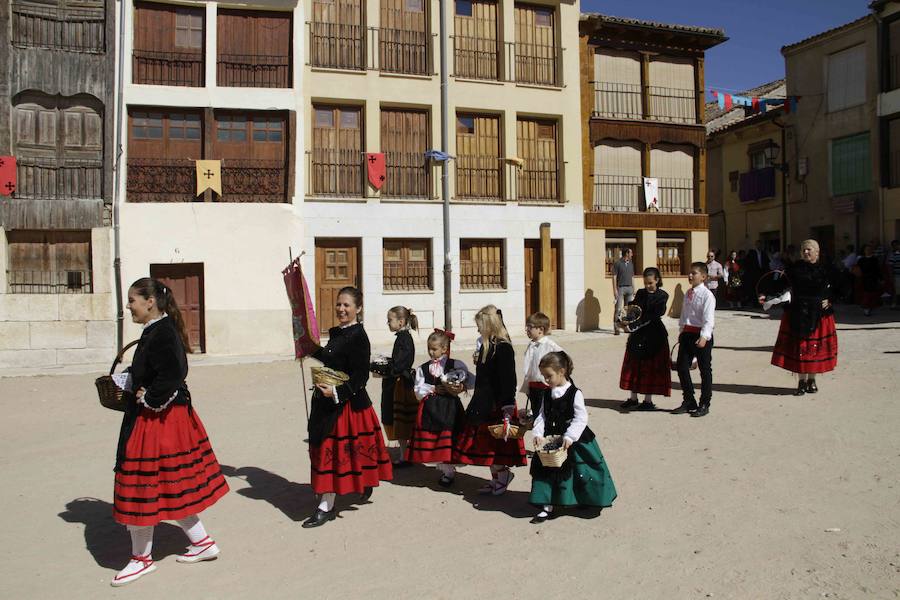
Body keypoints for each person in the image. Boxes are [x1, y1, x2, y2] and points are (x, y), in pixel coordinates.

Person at [111, 278, 229, 587]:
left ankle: (141, 560)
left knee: (141, 487)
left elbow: (174, 373)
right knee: (168, 485)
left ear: (150, 302)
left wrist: (150, 398)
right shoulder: (156, 330)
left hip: (160, 421)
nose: (129, 306)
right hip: (163, 420)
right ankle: (203, 543)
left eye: (132, 300)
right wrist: (130, 379)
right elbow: (158, 369)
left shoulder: (162, 332)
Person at [304, 287, 392, 528]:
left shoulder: (359, 337)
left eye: (346, 305)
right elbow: (333, 359)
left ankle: (326, 506)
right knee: (340, 453)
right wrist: (309, 349)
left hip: (347, 406)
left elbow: (361, 375)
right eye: (339, 304)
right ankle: (361, 483)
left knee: (334, 455)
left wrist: (336, 392)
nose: (341, 309)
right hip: (327, 402)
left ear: (358, 308)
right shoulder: (340, 333)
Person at [529, 352, 617, 523]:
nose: (546, 380)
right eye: (544, 376)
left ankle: (584, 498)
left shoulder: (575, 393)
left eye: (549, 376)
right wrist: (538, 433)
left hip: (573, 438)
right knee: (547, 470)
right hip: (551, 438)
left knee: (579, 471)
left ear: (561, 371)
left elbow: (581, 418)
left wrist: (570, 436)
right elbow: (542, 415)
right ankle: (547, 506)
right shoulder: (546, 394)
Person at [452, 305, 526, 495]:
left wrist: (507, 406)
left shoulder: (503, 347)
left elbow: (508, 379)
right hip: (483, 401)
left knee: (495, 444)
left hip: (498, 403)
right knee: (484, 444)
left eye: (480, 325)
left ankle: (503, 476)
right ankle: (495, 479)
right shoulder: (487, 346)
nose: (478, 329)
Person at [765, 239, 839, 395]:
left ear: (817, 252)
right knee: (801, 348)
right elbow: (780, 285)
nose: (805, 252)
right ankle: (801, 382)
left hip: (819, 313)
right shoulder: (794, 269)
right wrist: (767, 295)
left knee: (814, 349)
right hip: (798, 311)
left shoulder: (826, 268)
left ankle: (812, 380)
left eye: (809, 249)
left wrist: (830, 299)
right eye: (803, 250)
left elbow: (840, 286)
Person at [405, 330, 474, 486]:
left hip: (450, 408)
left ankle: (448, 472)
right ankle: (445, 470)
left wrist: (460, 386)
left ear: (444, 348)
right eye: (429, 348)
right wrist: (433, 388)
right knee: (434, 438)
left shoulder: (455, 365)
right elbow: (418, 390)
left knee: (449, 438)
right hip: (430, 408)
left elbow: (470, 381)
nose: (431, 352)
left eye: (434, 349)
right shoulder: (423, 368)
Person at [618, 267, 671, 411]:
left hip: (654, 335)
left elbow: (652, 316)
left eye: (650, 283)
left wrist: (633, 326)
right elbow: (634, 310)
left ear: (657, 280)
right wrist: (624, 320)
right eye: (645, 283)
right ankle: (633, 398)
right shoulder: (641, 293)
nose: (647, 286)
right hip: (638, 335)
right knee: (634, 366)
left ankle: (648, 401)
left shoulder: (662, 296)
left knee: (650, 368)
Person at [672, 262, 716, 418]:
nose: (690, 275)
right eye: (689, 273)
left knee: (705, 370)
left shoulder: (707, 295)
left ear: (703, 277)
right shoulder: (688, 293)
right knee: (682, 367)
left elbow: (708, 319)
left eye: (694, 273)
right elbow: (684, 314)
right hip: (687, 334)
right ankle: (689, 400)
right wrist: (682, 331)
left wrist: (704, 336)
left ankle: (705, 403)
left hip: (700, 335)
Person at [379, 306, 418, 465]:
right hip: (399, 381)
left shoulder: (404, 339)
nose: (388, 323)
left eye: (390, 320)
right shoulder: (402, 337)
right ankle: (405, 454)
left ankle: (404, 456)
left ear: (401, 322)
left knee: (401, 420)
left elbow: (401, 364)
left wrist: (385, 369)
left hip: (401, 384)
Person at [520, 312, 563, 419]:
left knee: (546, 413)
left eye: (530, 327)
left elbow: (564, 359)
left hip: (545, 387)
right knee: (536, 413)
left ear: (541, 329)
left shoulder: (550, 346)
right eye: (527, 327)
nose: (527, 330)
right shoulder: (531, 345)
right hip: (532, 386)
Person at [611, 248, 635, 335]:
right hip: (620, 288)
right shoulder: (617, 263)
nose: (632, 254)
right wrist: (615, 290)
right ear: (627, 253)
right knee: (618, 309)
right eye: (631, 253)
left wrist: (634, 288)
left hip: (629, 288)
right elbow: (614, 277)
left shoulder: (631, 264)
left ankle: (625, 327)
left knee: (627, 310)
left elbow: (632, 277)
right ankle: (616, 328)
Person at [855, 244, 883, 316]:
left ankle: (870, 307)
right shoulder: (861, 260)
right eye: (866, 249)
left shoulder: (874, 259)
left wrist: (881, 278)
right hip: (864, 279)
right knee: (866, 293)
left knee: (872, 293)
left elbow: (878, 269)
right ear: (864, 251)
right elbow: (858, 270)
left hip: (873, 279)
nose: (868, 251)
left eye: (869, 249)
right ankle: (866, 307)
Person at [889, 240, 900, 309]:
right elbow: (890, 266)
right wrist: (891, 276)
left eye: (898, 245)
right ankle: (893, 304)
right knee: (897, 291)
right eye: (895, 245)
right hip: (897, 275)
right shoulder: (893, 255)